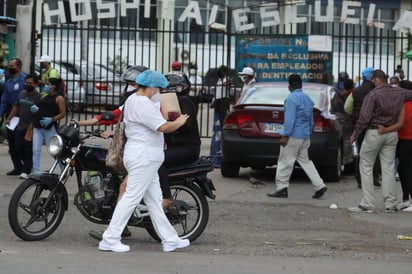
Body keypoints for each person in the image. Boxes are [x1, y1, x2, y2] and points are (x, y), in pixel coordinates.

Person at [98, 70, 190, 253]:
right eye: (157, 88)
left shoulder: (133, 99)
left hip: (144, 155)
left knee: (155, 200)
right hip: (144, 156)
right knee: (131, 197)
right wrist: (179, 121)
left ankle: (170, 239)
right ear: (150, 87)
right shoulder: (142, 104)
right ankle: (110, 238)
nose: (158, 92)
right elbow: (162, 126)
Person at [348, 69, 412, 213]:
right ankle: (391, 203)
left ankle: (368, 203)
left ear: (376, 80)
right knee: (388, 167)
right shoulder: (400, 92)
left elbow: (364, 118)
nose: (371, 83)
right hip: (392, 133)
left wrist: (355, 134)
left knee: (365, 165)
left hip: (375, 131)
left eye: (372, 80)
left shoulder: (373, 95)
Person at [267, 74, 327, 199]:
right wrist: (309, 132)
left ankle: (281, 188)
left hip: (293, 135)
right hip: (305, 135)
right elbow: (311, 120)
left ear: (289, 86)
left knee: (285, 161)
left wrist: (285, 135)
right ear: (301, 85)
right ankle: (319, 185)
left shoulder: (291, 99)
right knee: (305, 161)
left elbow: (290, 120)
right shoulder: (308, 99)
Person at [344, 67, 381, 188]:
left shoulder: (356, 91)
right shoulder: (378, 90)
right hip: (375, 125)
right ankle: (374, 176)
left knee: (360, 151)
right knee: (375, 151)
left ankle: (360, 179)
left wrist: (355, 115)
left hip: (359, 124)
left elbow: (347, 108)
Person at [5, 74, 41, 178]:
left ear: (35, 84)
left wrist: (33, 124)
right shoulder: (21, 93)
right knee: (17, 147)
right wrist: (9, 117)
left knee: (28, 149)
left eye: (31, 83)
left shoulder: (38, 97)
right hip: (20, 125)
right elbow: (17, 106)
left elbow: (40, 113)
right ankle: (24, 166)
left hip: (31, 128)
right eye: (27, 83)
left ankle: (26, 169)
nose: (28, 85)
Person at [31, 77, 66, 173]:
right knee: (36, 150)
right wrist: (35, 109)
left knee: (54, 151)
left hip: (49, 127)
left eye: (48, 84)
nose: (46, 86)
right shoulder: (43, 97)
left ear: (54, 86)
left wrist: (52, 119)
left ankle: (63, 168)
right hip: (38, 126)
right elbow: (40, 108)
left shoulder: (59, 98)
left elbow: (63, 113)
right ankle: (36, 170)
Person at [0, 57, 27, 175]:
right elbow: (4, 100)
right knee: (11, 141)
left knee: (19, 142)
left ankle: (27, 166)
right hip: (10, 113)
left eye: (12, 66)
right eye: (9, 66)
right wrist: (1, 115)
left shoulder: (25, 80)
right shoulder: (8, 82)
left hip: (22, 113)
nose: (10, 68)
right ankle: (17, 167)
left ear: (19, 67)